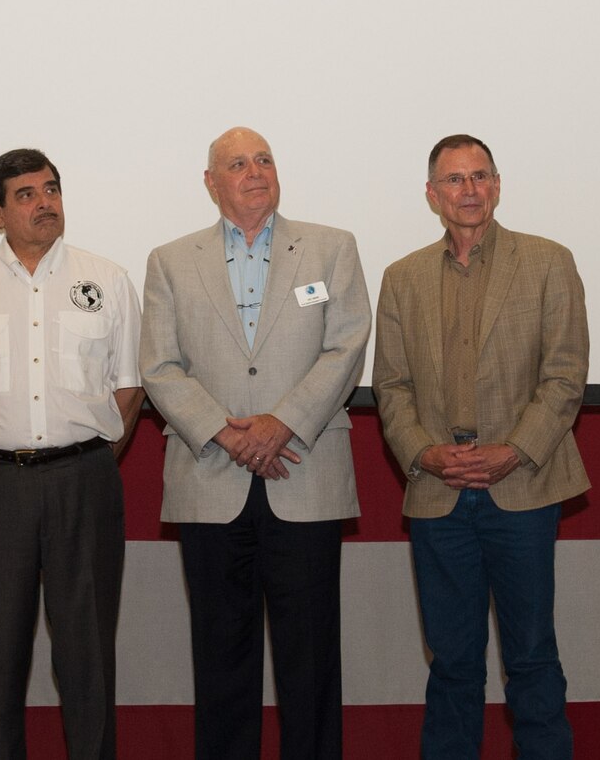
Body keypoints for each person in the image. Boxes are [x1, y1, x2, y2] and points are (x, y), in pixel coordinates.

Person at [139, 126, 371, 760]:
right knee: (220, 661)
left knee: (312, 661)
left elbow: (347, 344)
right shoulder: (170, 260)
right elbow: (158, 366)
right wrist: (223, 430)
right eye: (237, 164)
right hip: (210, 477)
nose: (255, 171)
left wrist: (282, 422)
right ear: (211, 184)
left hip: (305, 471)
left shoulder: (331, 248)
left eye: (264, 159)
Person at [373, 134, 589, 760]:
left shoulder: (548, 262)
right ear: (432, 194)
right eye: (454, 180)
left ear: (497, 185)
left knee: (531, 659)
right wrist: (424, 452)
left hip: (521, 487)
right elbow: (391, 385)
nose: (469, 191)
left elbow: (565, 376)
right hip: (439, 491)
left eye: (480, 177)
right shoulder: (402, 278)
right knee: (452, 665)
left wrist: (513, 450)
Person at [0, 148, 143, 760]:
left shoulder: (109, 279)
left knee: (89, 659)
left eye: (51, 189)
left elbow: (129, 387)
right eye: (25, 194)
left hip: (85, 481)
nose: (44, 202)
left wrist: (87, 458)